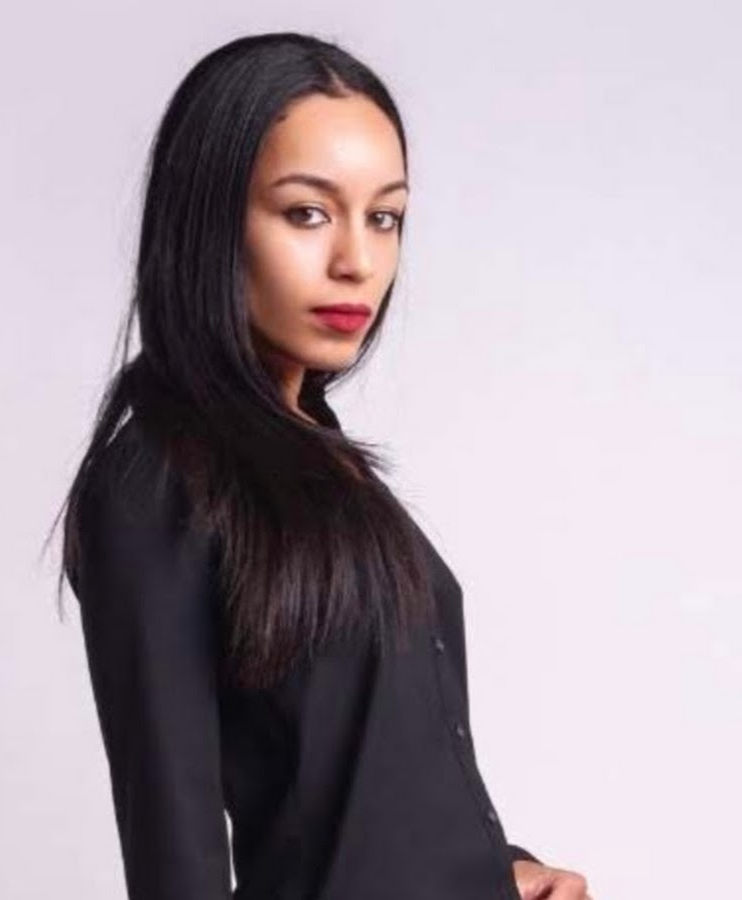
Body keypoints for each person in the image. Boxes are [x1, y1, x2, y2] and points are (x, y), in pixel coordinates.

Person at [55, 31, 592, 900]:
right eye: (307, 213)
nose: (357, 261)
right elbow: (175, 860)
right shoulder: (154, 484)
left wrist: (500, 867)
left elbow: (369, 781)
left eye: (384, 217)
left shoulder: (319, 453)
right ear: (209, 220)